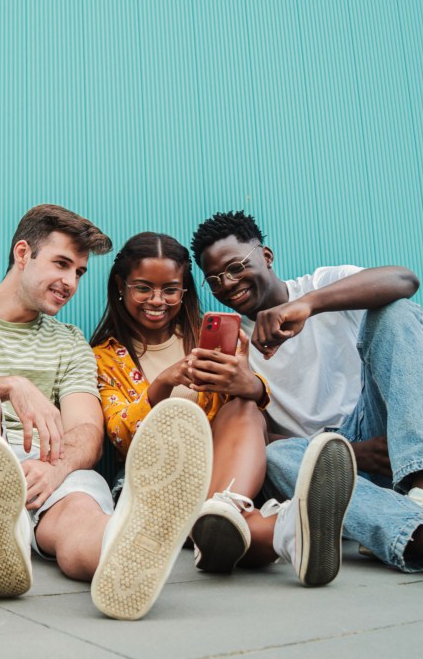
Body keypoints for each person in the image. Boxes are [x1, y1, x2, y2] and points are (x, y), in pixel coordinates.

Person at [190, 210, 423, 590]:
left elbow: (404, 279)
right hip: (316, 474)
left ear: (265, 256)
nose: (228, 283)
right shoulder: (231, 349)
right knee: (274, 457)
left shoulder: (323, 286)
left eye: (236, 267)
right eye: (215, 279)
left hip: (386, 442)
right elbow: (249, 445)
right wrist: (353, 453)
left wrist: (308, 305)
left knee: (395, 310)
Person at [0, 204, 211, 621]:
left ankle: (124, 546)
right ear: (23, 253)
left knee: (82, 513)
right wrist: (11, 385)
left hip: (46, 471)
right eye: (62, 264)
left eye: (79, 272)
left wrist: (55, 470)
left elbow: (86, 429)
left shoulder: (70, 342)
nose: (70, 283)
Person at [89, 232, 356, 586]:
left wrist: (249, 383)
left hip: (223, 475)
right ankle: (287, 530)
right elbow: (122, 436)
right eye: (143, 288)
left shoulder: (207, 338)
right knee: (235, 523)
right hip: (155, 483)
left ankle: (224, 510)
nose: (158, 300)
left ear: (184, 290)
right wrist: (166, 382)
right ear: (121, 286)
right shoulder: (104, 357)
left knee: (245, 407)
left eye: (171, 289)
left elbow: (255, 410)